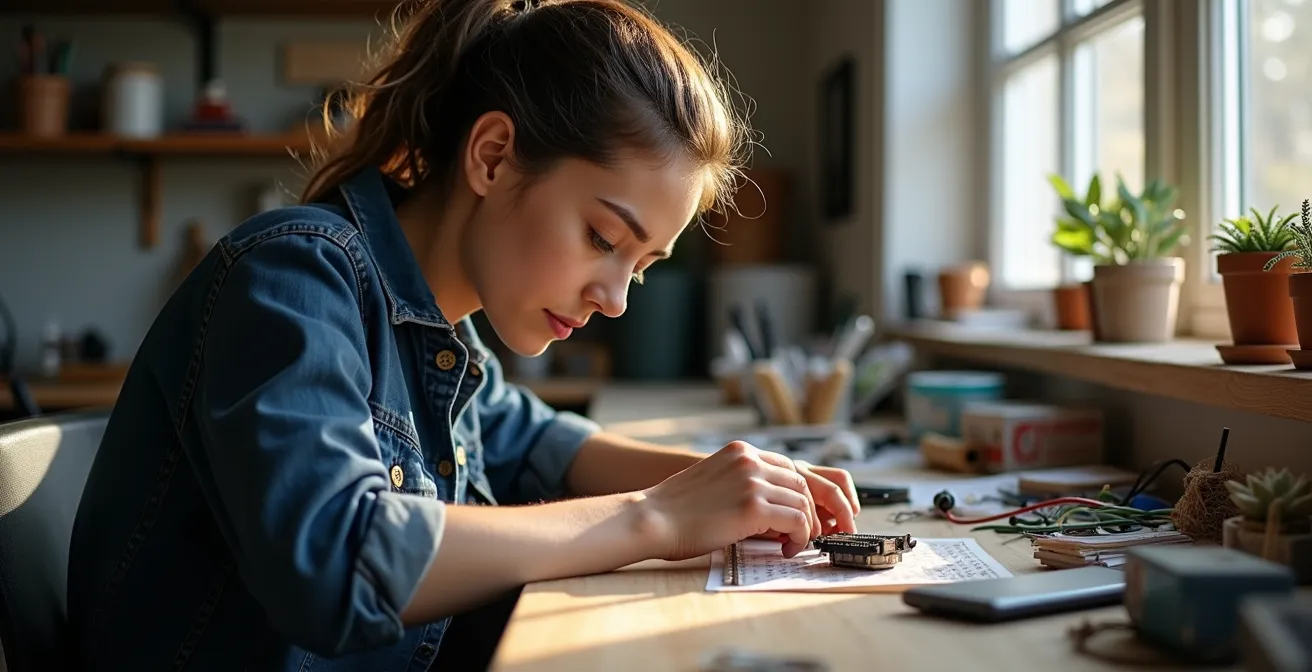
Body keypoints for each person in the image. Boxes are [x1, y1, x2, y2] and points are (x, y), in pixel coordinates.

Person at [66, 0, 862, 669]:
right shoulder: (292, 277)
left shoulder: (445, 332)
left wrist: (752, 482)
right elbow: (339, 561)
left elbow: (536, 446)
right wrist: (658, 516)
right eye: (602, 237)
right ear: (493, 157)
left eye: (643, 266)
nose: (616, 299)